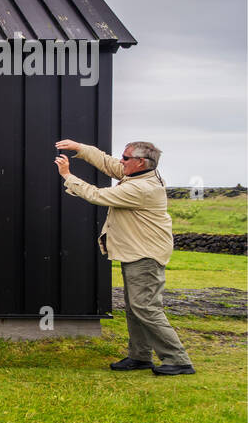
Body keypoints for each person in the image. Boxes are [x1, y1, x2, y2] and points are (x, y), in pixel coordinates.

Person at [56, 139, 194, 375]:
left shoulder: (141, 188)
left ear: (141, 161)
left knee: (146, 307)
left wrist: (68, 175)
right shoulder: (140, 174)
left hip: (145, 255)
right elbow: (109, 163)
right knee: (135, 307)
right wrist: (81, 148)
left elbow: (97, 195)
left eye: (126, 158)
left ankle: (178, 359)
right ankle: (139, 357)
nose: (121, 161)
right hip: (137, 252)